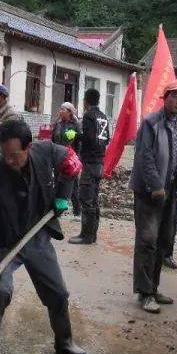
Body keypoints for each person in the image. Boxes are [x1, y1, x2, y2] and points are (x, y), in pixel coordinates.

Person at [0, 119, 86, 354]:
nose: (10, 161)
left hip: (36, 235)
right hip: (4, 243)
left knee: (58, 292)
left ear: (29, 147)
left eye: (15, 156)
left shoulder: (45, 152)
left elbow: (71, 163)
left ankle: (64, 341)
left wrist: (62, 194)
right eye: (5, 155)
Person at [129, 78, 177, 314]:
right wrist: (155, 185)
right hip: (150, 191)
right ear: (164, 99)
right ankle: (145, 293)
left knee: (163, 242)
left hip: (170, 191)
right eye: (174, 96)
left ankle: (153, 288)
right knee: (147, 241)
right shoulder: (151, 123)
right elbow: (144, 157)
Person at [70, 88, 110, 245]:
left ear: (86, 101)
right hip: (100, 162)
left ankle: (86, 235)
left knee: (86, 198)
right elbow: (107, 139)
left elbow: (88, 137)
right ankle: (93, 235)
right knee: (93, 199)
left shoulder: (88, 116)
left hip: (90, 162)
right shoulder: (103, 117)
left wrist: (75, 136)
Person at [51, 102, 83, 217]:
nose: (60, 111)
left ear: (69, 112)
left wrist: (78, 159)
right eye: (60, 109)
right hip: (58, 159)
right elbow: (53, 140)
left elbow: (79, 143)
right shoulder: (58, 124)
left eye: (63, 109)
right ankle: (57, 211)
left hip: (70, 160)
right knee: (57, 184)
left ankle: (77, 212)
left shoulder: (76, 124)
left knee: (74, 187)